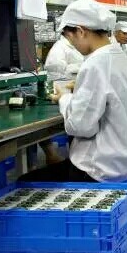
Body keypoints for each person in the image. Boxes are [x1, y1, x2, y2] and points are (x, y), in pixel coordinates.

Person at [20, 0, 127, 183]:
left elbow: (80, 127)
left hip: (98, 170)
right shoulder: (125, 59)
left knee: (25, 181)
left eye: (71, 38)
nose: (73, 44)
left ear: (81, 31)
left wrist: (64, 98)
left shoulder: (95, 64)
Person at [42, 28, 85, 164]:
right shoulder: (59, 49)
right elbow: (55, 74)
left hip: (74, 97)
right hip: (63, 94)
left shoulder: (77, 47)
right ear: (69, 33)